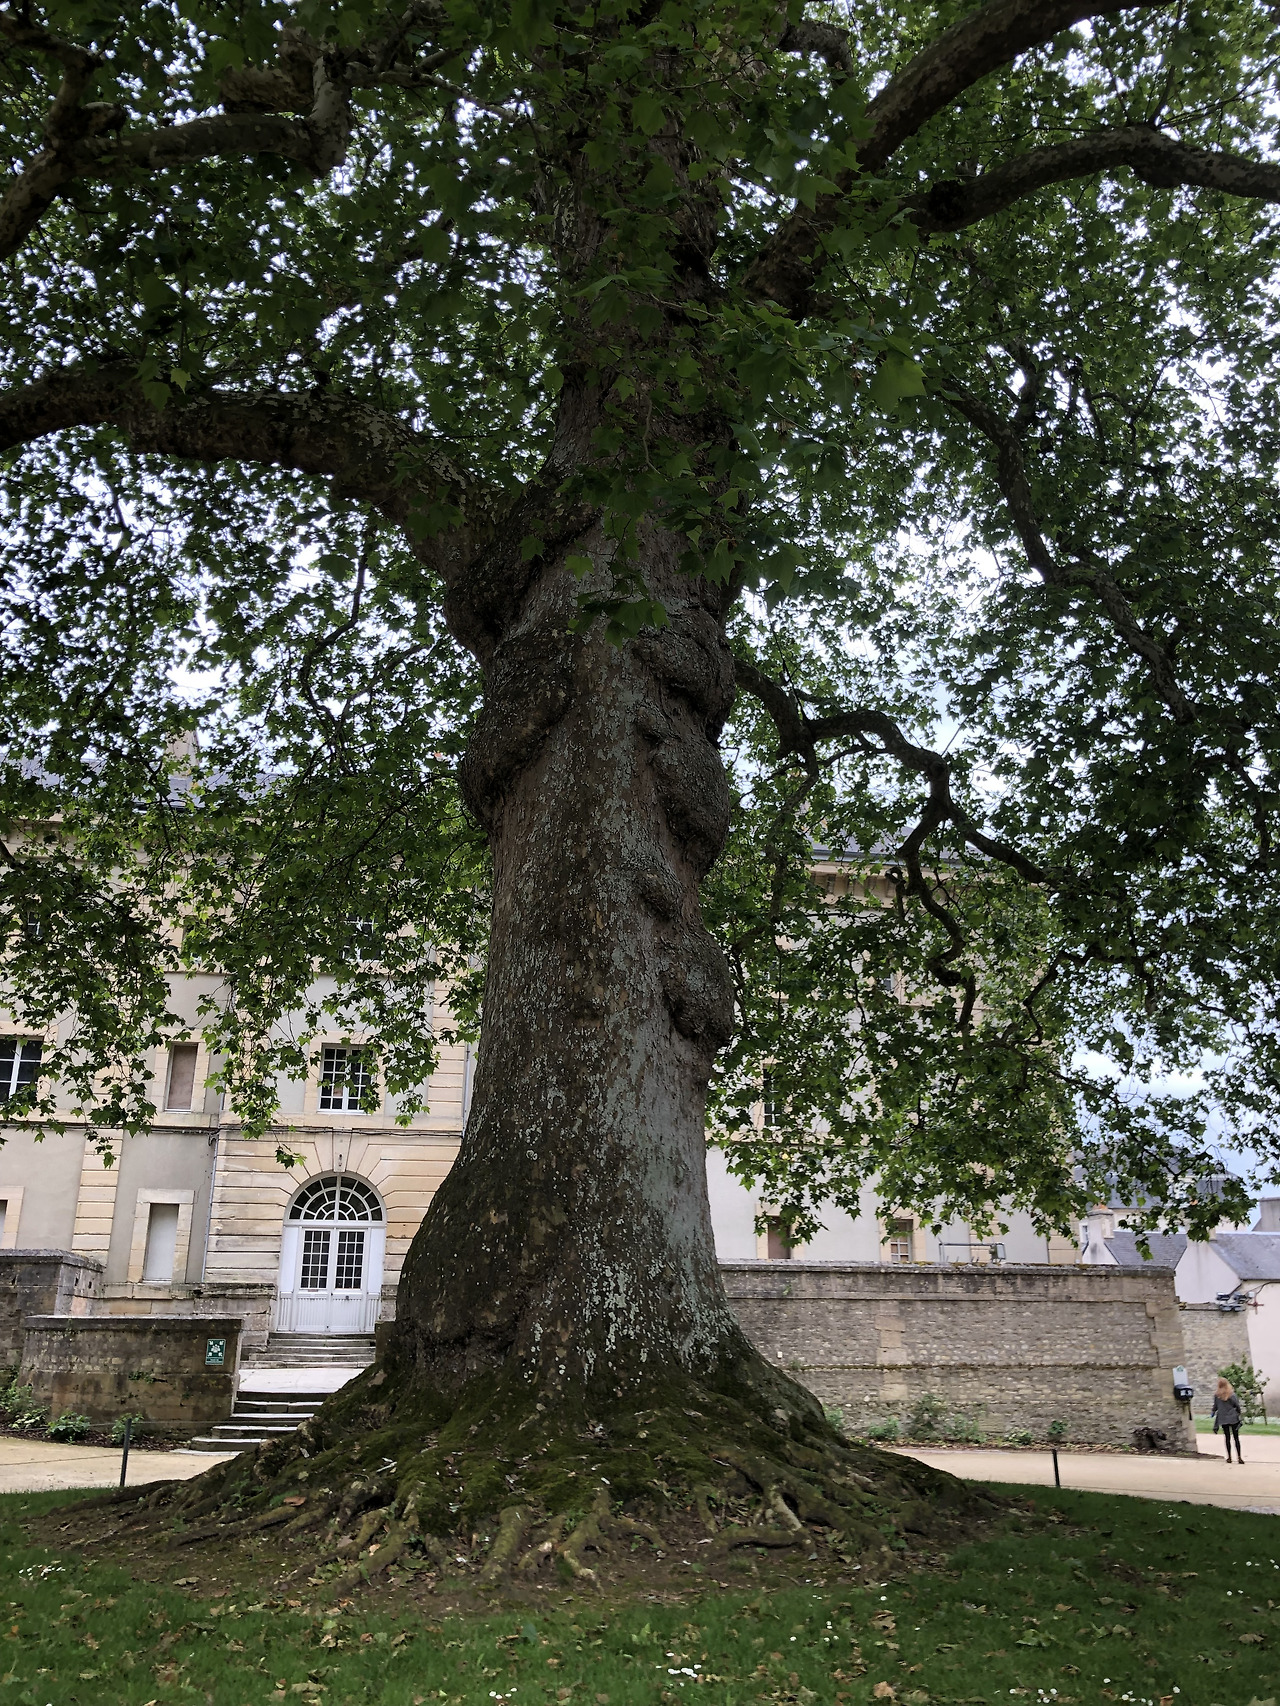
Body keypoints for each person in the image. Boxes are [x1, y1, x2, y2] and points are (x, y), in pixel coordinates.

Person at [1211, 1377, 1245, 1463]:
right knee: (1236, 1438)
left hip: (1223, 1418)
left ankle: (1229, 1457)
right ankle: (1239, 1457)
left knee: (1227, 1438)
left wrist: (1213, 1412)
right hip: (1233, 1417)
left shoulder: (1217, 1396)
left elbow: (1215, 1406)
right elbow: (1236, 1405)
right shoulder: (1231, 1394)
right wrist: (1239, 1412)